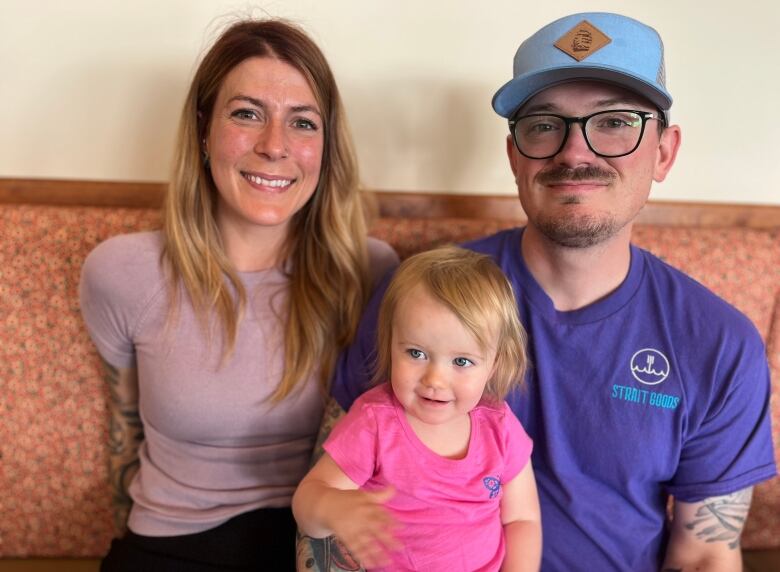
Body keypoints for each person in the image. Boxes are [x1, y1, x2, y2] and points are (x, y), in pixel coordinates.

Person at [306, 12, 777, 572]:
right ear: (514, 156)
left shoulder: (719, 343)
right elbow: (331, 507)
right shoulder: (421, 297)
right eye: (544, 124)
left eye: (615, 122)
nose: (575, 152)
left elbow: (705, 553)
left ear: (665, 152)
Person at [79, 18, 397, 571]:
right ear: (203, 130)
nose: (275, 146)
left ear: (325, 146)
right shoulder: (122, 272)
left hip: (312, 543)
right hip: (171, 541)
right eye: (247, 114)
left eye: (302, 122)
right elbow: (123, 437)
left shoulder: (368, 273)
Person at [293, 246, 542, 571]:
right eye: (416, 353)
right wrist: (331, 507)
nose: (435, 379)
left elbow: (523, 519)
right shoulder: (375, 423)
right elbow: (307, 501)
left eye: (462, 361)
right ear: (390, 345)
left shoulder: (500, 428)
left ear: (493, 366)